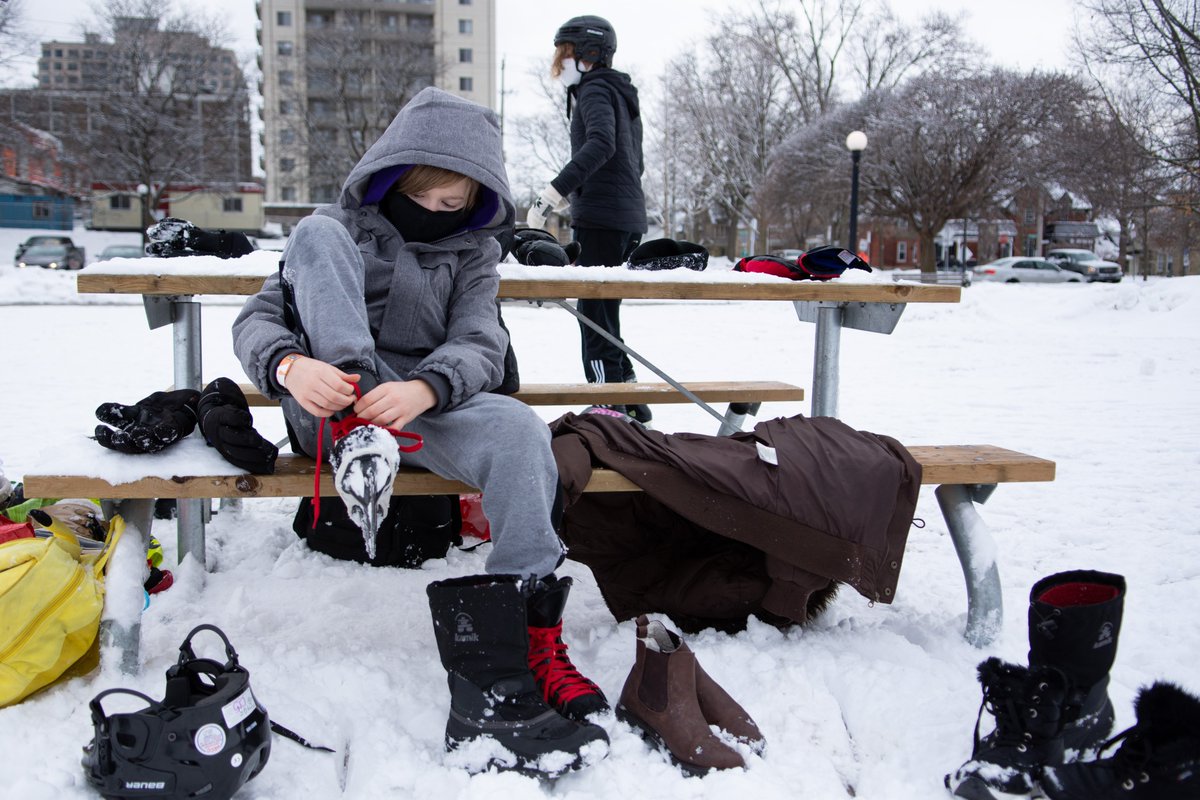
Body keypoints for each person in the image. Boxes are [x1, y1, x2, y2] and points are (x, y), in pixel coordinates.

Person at [232, 87, 607, 776]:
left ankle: (524, 637)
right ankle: (352, 408)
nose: (436, 214)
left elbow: (480, 344)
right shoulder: (331, 229)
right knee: (315, 239)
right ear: (393, 177)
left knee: (520, 431)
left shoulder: (471, 256)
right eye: (423, 198)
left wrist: (425, 387)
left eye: (452, 206)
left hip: (418, 409)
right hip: (331, 410)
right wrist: (289, 365)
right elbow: (258, 321)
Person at [527, 15, 652, 423]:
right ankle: (627, 392)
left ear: (587, 55)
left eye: (562, 54)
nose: (557, 63)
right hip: (626, 216)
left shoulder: (596, 90)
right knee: (605, 310)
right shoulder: (621, 93)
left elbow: (601, 144)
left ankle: (605, 406)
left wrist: (553, 193)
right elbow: (635, 162)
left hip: (602, 218)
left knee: (593, 313)